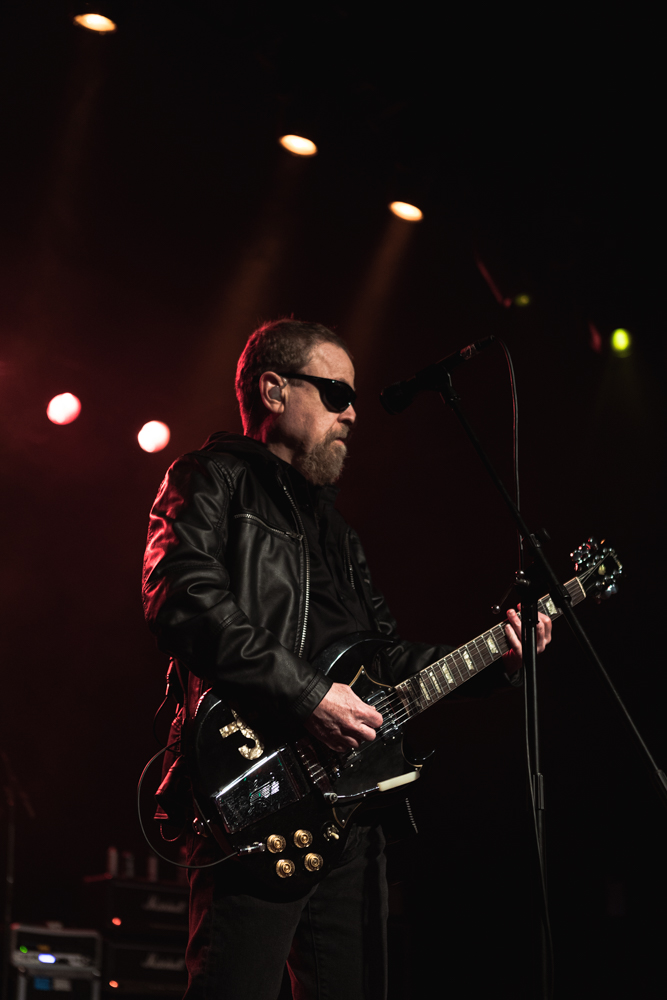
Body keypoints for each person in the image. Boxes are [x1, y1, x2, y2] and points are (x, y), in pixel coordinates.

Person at [142, 319, 552, 1000]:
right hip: (255, 788)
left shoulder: (337, 531)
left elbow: (387, 659)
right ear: (272, 390)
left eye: (353, 397)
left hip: (344, 814)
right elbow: (180, 598)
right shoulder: (210, 478)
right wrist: (306, 696)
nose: (353, 412)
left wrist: (499, 657)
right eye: (335, 393)